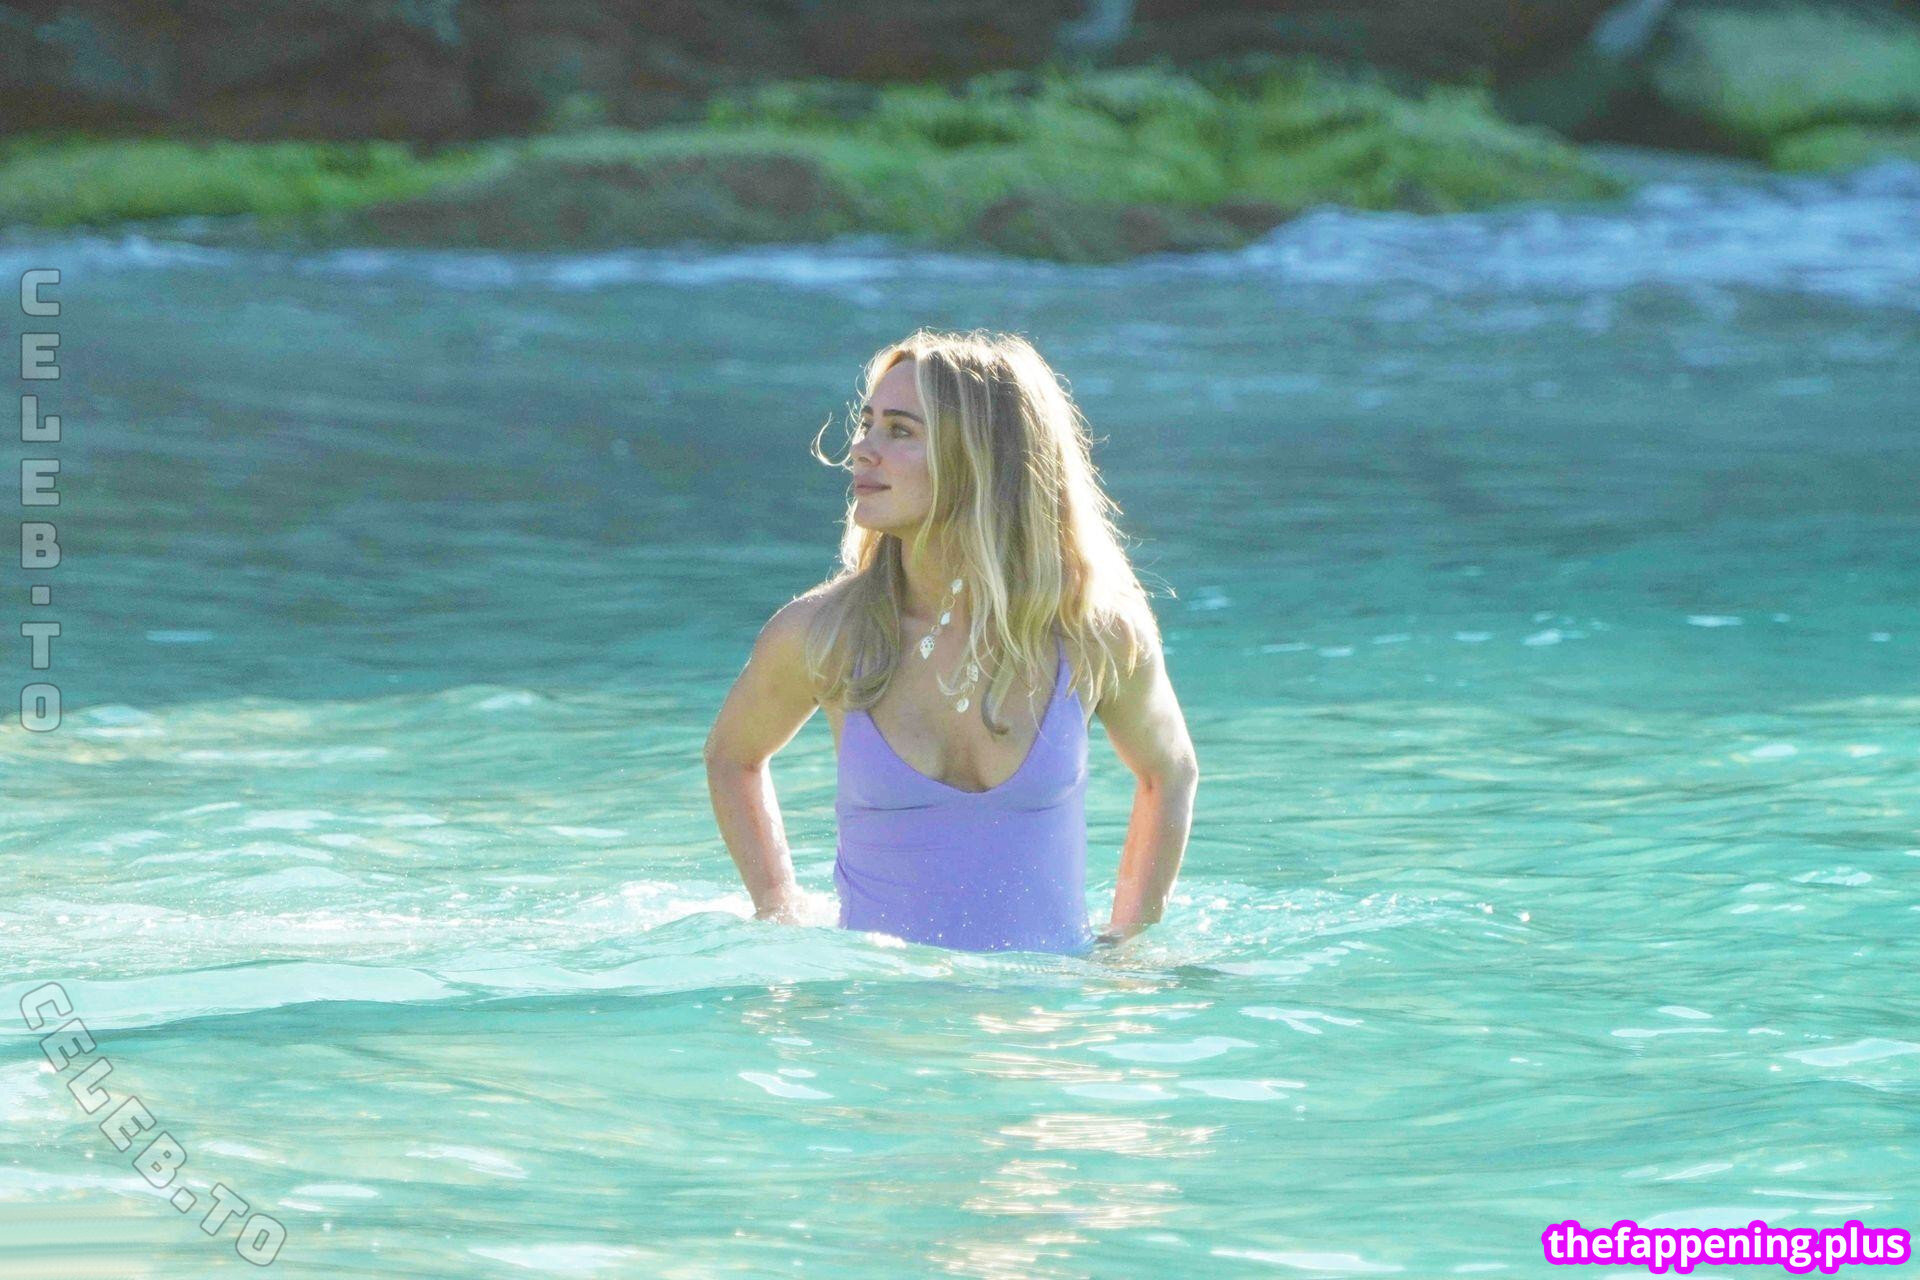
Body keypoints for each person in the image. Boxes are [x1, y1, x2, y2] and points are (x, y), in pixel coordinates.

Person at [704, 327, 1197, 953]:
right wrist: (780, 910)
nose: (861, 448)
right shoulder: (824, 634)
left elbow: (1169, 772)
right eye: (867, 423)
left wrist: (1127, 943)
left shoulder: (1092, 632)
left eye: (899, 431)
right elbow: (732, 757)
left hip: (1046, 1009)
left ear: (981, 458)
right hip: (877, 1004)